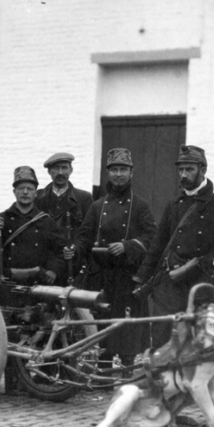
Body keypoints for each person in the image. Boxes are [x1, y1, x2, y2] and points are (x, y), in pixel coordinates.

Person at [134, 145, 214, 349]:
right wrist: (142, 277)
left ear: (203, 170)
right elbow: (158, 245)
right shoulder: (174, 205)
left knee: (202, 341)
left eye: (190, 169)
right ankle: (164, 378)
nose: (184, 175)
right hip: (172, 281)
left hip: (203, 281)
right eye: (181, 170)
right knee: (163, 338)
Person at [0, 166, 66, 393]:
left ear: (36, 193)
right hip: (7, 284)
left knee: (36, 333)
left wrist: (53, 271)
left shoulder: (46, 221)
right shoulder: (1, 219)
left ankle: (31, 383)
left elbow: (60, 250)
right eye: (21, 188)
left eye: (30, 188)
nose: (25, 192)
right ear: (14, 192)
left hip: (35, 286)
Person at [69, 148, 156, 366]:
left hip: (128, 278)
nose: (118, 174)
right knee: (103, 324)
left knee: (127, 326)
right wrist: (75, 249)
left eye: (123, 170)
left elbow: (152, 238)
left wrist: (127, 246)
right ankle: (103, 370)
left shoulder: (140, 205)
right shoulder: (98, 206)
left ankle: (127, 371)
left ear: (131, 173)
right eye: (114, 170)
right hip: (102, 277)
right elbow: (84, 237)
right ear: (108, 173)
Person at [35, 152, 93, 281]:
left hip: (73, 266)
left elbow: (89, 233)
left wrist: (75, 249)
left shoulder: (84, 199)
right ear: (49, 172)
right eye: (56, 168)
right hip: (44, 268)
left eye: (64, 168)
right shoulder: (37, 198)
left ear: (71, 170)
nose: (60, 172)